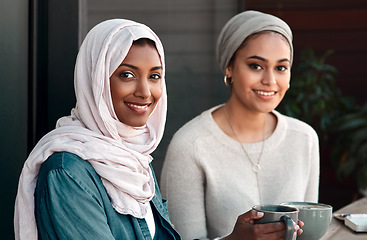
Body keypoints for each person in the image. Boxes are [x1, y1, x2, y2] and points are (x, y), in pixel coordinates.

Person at [14, 19, 181, 240]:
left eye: (154, 76)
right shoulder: (67, 173)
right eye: (127, 75)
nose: (145, 91)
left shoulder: (133, 160)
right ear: (97, 80)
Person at [160, 10, 319, 240]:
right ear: (229, 67)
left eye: (281, 67)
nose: (270, 80)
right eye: (256, 66)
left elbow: (308, 235)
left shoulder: (304, 139)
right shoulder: (191, 145)